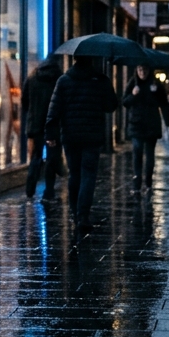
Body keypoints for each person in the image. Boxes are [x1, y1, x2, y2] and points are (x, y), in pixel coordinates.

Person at [44, 55, 118, 230]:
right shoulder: (100, 80)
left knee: (75, 174)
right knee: (89, 174)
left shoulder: (64, 81)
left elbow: (54, 109)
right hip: (92, 136)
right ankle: (83, 215)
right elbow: (111, 106)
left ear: (74, 59)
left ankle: (74, 213)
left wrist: (51, 134)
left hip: (70, 136)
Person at [123, 64, 169, 191]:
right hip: (136, 124)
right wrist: (133, 94)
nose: (142, 72)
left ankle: (148, 181)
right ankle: (137, 182)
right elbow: (125, 102)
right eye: (140, 69)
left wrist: (155, 93)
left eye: (145, 69)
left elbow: (163, 103)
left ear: (150, 70)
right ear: (136, 70)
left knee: (150, 154)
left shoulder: (156, 84)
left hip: (151, 124)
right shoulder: (133, 83)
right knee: (137, 152)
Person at [22, 57, 63, 199]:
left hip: (35, 124)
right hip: (53, 126)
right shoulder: (59, 79)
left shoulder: (32, 78)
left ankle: (30, 188)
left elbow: (24, 101)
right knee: (52, 158)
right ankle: (49, 191)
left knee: (36, 156)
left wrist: (33, 113)